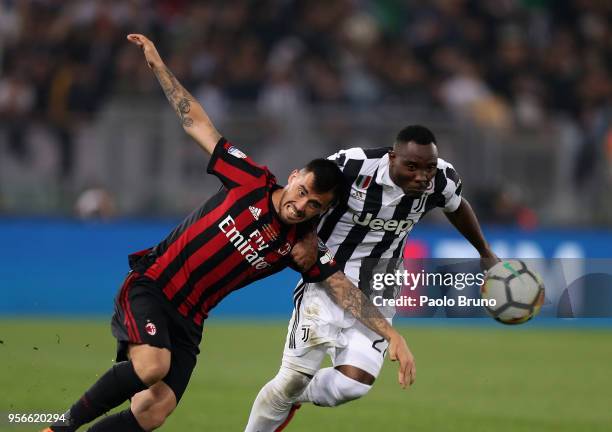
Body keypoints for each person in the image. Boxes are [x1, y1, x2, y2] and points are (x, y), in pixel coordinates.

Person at [43, 34, 415, 432]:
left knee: (155, 410)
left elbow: (342, 287)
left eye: (314, 205)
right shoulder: (249, 179)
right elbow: (196, 122)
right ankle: (57, 428)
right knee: (153, 366)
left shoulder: (301, 245)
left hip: (190, 318)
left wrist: (391, 334)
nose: (301, 205)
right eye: (302, 191)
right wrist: (158, 66)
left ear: (322, 211)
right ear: (293, 178)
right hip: (153, 286)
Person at [245, 124, 498, 431]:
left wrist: (484, 251)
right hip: (327, 278)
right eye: (412, 166)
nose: (422, 176)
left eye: (428, 168)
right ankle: (284, 394)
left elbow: (456, 207)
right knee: (294, 376)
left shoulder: (442, 180)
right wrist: (308, 236)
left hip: (381, 284)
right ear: (392, 158)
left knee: (353, 385)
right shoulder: (351, 166)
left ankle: (288, 396)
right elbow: (309, 194)